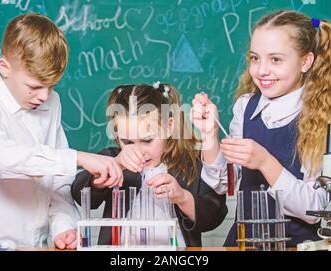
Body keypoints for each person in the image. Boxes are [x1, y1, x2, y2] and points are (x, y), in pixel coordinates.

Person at [0, 13, 122, 249]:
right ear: (5, 68)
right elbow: (5, 160)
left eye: (52, 86)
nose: (44, 96)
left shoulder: (51, 103)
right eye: (34, 86)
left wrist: (63, 226)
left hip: (36, 244)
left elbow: (57, 182)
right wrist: (79, 158)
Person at [191, 10, 331, 246]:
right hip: (243, 242)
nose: (261, 70)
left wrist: (265, 163)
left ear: (306, 61)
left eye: (275, 59)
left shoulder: (325, 125)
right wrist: (209, 136)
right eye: (255, 58)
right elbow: (223, 184)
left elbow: (313, 208)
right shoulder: (245, 106)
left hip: (297, 246)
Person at [71, 83, 227, 246]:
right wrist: (110, 169)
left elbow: (213, 217)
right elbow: (78, 192)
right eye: (127, 142)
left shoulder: (189, 164)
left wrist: (182, 197)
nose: (139, 151)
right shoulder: (113, 159)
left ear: (169, 126)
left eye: (147, 140)